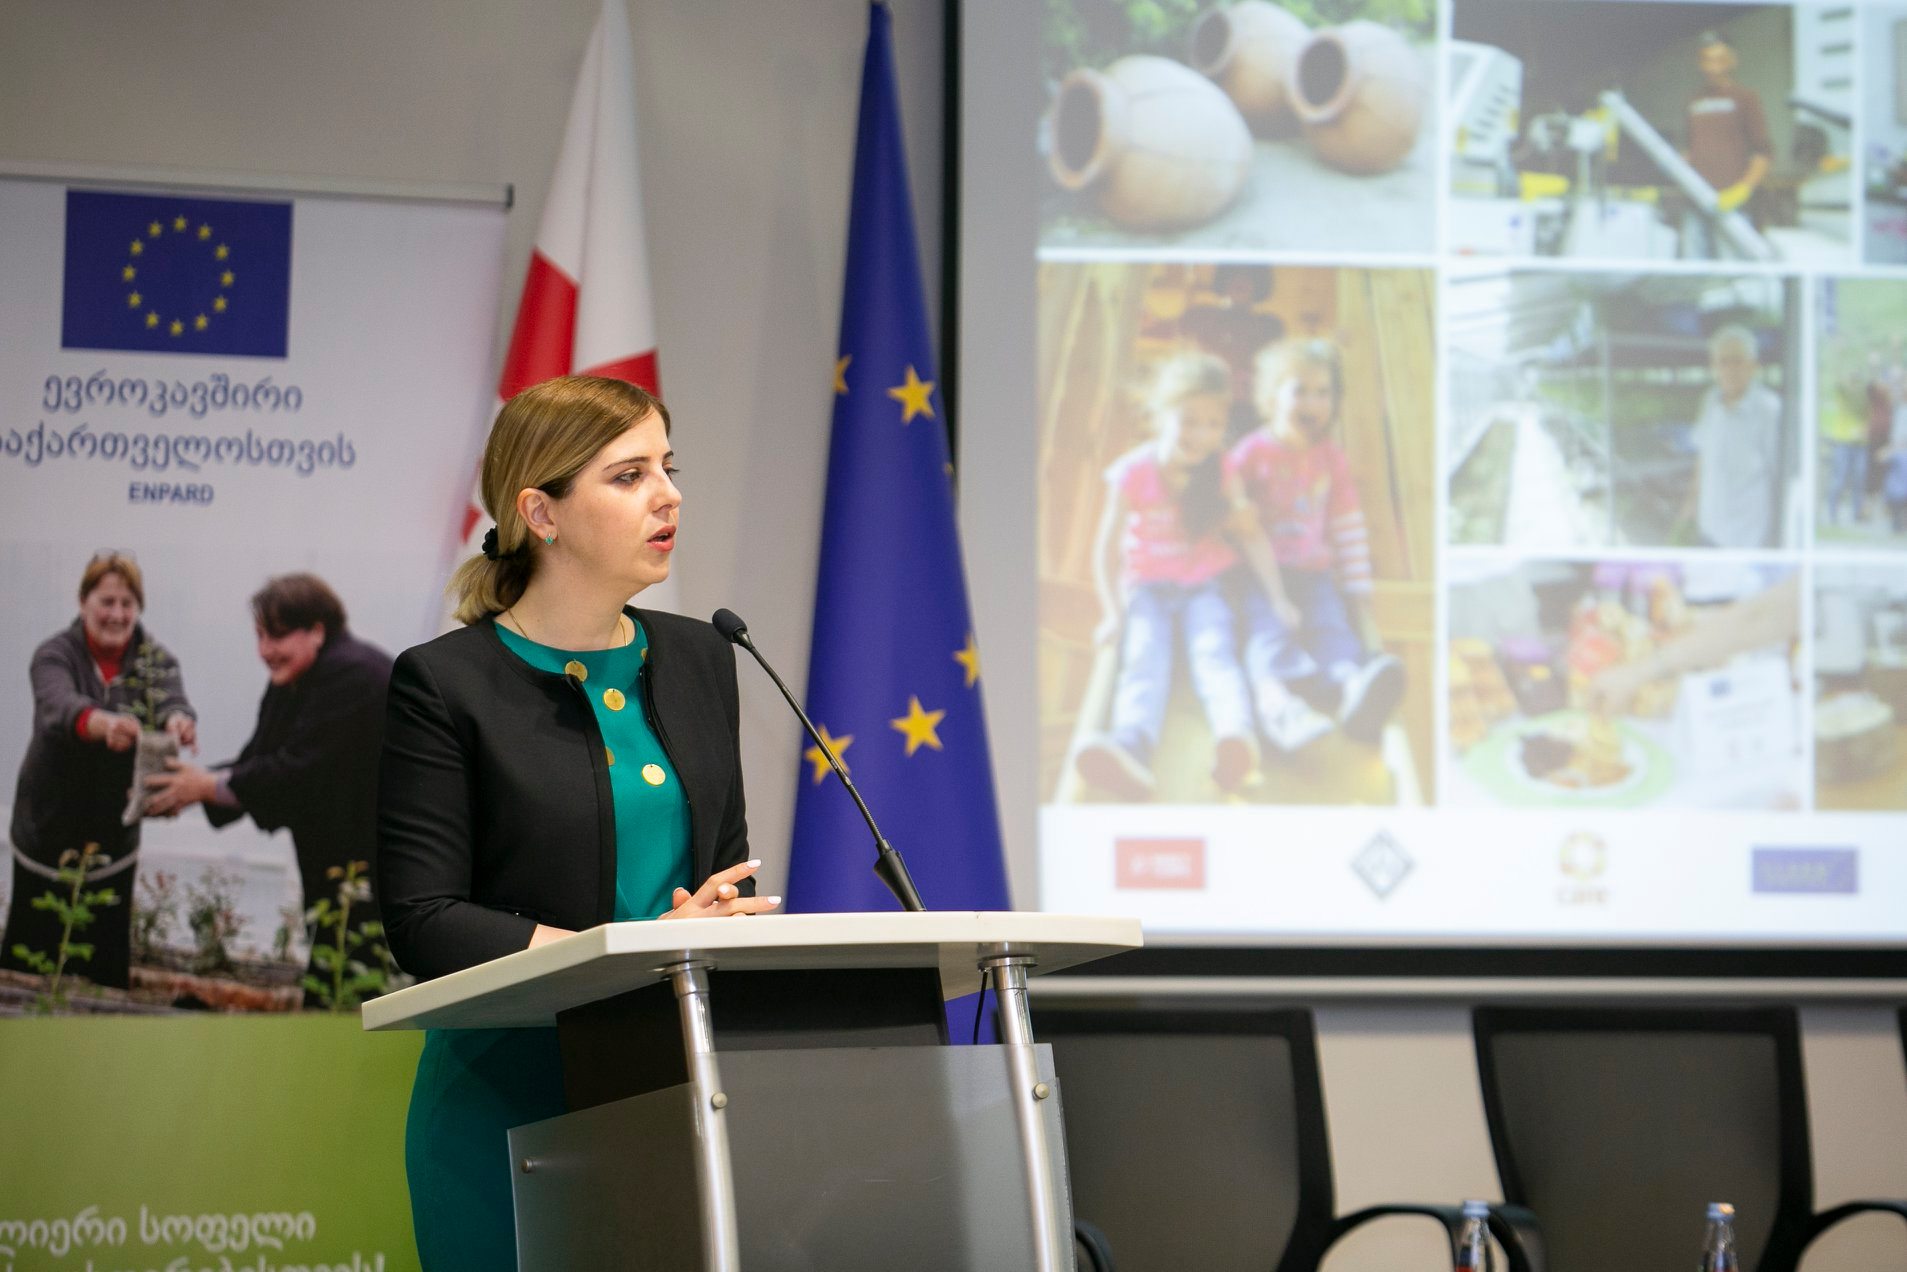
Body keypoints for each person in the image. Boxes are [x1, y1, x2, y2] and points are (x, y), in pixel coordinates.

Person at [373, 375, 774, 1269]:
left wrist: (712, 920)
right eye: (629, 476)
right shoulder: (445, 683)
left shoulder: (702, 656)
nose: (668, 496)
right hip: (508, 1099)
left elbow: (723, 871)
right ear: (540, 514)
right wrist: (620, 955)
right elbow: (424, 920)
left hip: (675, 1087)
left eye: (667, 468)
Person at [143, 574, 392, 1003]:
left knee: (354, 977)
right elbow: (260, 759)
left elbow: (296, 771)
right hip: (340, 858)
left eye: (277, 636)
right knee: (336, 968)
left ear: (317, 631)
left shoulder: (351, 675)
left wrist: (203, 788)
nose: (265, 650)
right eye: (260, 636)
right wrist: (186, 789)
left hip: (378, 860)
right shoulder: (298, 677)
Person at [2, 553, 195, 990]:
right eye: (107, 602)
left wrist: (179, 721)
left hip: (113, 841)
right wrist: (101, 723)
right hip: (46, 833)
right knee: (28, 966)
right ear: (83, 602)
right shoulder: (54, 654)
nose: (117, 614)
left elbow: (172, 700)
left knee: (102, 971)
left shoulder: (156, 661)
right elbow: (57, 707)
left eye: (128, 603)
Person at [1075, 352, 1260, 800]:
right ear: (1162, 414)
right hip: (1148, 589)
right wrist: (1111, 612)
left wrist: (1275, 593)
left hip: (1204, 586)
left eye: (1214, 423)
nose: (1202, 434)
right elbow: (1107, 548)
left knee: (1214, 653)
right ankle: (1131, 749)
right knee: (1143, 657)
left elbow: (1249, 531)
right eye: (1189, 420)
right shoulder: (1133, 471)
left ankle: (1235, 739)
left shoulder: (1222, 468)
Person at [1227, 338, 1405, 750]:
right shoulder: (1251, 454)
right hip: (1260, 574)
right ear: (1271, 398)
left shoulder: (1330, 458)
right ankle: (1276, 705)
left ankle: (1351, 688)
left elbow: (1346, 523)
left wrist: (1358, 586)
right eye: (1301, 391)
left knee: (1331, 625)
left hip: (1313, 570)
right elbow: (1224, 510)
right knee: (1268, 631)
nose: (1313, 402)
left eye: (1323, 392)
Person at [1680, 325, 1783, 547]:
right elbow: (1702, 457)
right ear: (1714, 366)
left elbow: (1779, 476)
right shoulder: (1710, 401)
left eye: (1737, 361)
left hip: (1748, 539)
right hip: (1709, 531)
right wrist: (1690, 505)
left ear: (1753, 365)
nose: (1729, 369)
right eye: (1723, 362)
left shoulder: (1769, 409)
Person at [1679, 34, 1771, 260]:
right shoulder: (1693, 101)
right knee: (1692, 264)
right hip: (1696, 199)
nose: (1713, 67)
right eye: (1707, 60)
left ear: (1732, 61)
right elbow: (1687, 149)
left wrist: (1743, 189)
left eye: (1720, 60)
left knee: (1731, 267)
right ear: (1700, 63)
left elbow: (1763, 152)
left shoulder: (1745, 98)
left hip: (1732, 201)